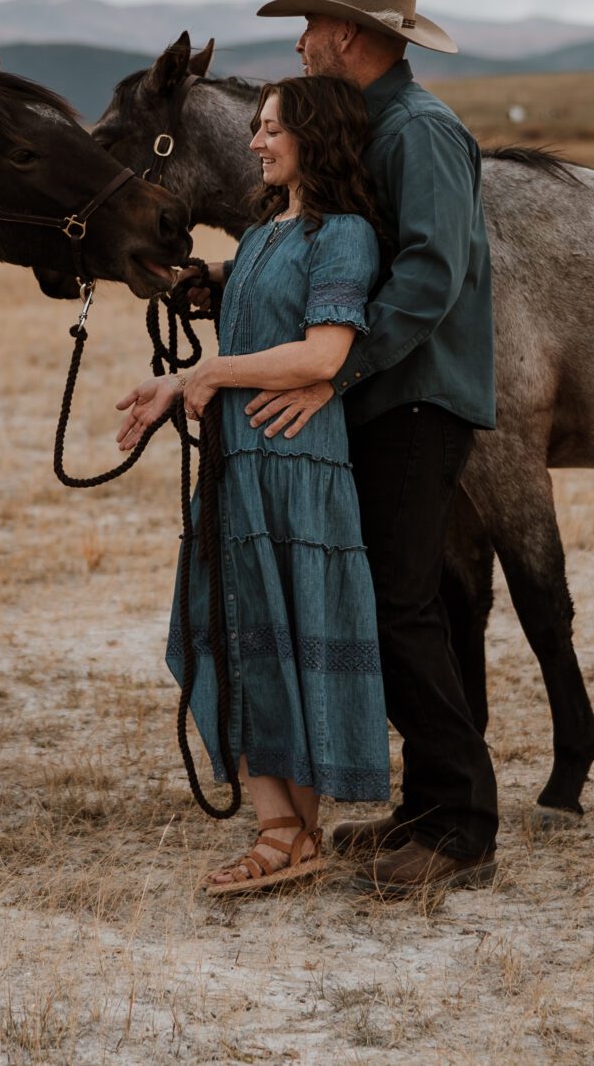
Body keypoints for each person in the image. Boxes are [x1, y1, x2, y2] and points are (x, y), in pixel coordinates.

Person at [247, 0, 500, 898]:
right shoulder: (373, 127)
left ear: (347, 35)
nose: (303, 45)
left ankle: (464, 827)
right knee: (397, 601)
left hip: (416, 397)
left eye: (310, 28)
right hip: (386, 392)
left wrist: (336, 366)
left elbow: (431, 275)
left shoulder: (422, 132)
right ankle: (433, 807)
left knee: (398, 605)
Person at [117, 75, 391, 894]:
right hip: (244, 465)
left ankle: (287, 832)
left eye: (271, 128)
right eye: (257, 127)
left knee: (289, 633)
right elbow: (255, 319)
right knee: (237, 631)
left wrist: (210, 371)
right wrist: (180, 367)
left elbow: (322, 354)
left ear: (314, 138)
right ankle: (289, 829)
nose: (255, 142)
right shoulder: (270, 231)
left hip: (297, 470)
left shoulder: (343, 235)